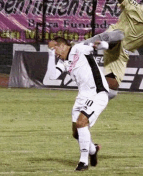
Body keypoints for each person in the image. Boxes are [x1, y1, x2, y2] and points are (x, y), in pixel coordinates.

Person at [45, 37, 109, 171]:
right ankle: (93, 149)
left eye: (55, 49)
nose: (55, 53)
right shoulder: (63, 62)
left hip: (97, 93)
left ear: (62, 45)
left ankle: (83, 162)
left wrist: (101, 44)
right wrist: (51, 54)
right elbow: (51, 76)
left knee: (81, 123)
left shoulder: (79, 49)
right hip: (82, 96)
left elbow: (103, 46)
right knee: (76, 133)